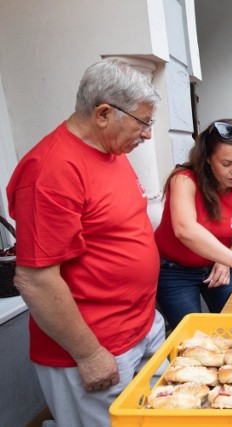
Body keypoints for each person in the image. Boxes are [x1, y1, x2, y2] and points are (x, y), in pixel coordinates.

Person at [6, 58, 166, 426]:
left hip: (141, 328)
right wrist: (90, 354)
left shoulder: (111, 150)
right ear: (104, 113)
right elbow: (35, 279)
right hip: (99, 348)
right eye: (143, 122)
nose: (147, 135)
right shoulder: (50, 170)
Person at [154, 119, 232, 330]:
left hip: (219, 266)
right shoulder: (184, 180)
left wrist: (226, 261)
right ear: (207, 158)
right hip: (175, 269)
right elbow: (185, 230)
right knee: (193, 336)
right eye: (226, 164)